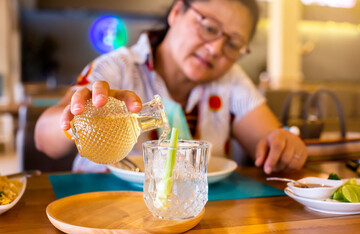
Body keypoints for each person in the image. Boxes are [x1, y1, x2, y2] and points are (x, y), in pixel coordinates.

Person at [34, 0, 307, 174]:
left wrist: (283, 144)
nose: (215, 49)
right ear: (177, 11)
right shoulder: (117, 68)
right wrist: (75, 117)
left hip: (195, 214)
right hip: (102, 210)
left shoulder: (231, 80)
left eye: (233, 44)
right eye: (209, 28)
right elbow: (43, 140)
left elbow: (270, 140)